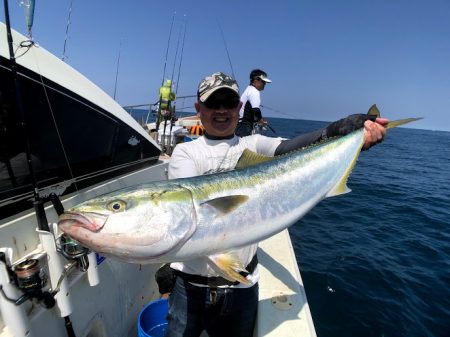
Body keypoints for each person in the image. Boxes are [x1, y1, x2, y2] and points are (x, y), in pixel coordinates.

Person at [165, 71, 388, 337]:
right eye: (214, 103)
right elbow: (195, 217)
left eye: (229, 103)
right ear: (199, 109)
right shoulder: (186, 152)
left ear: (239, 108)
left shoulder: (254, 144)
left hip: (243, 286)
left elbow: (294, 147)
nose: (222, 110)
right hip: (190, 288)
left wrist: (340, 132)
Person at [235, 69, 272, 137]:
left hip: (239, 124)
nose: (265, 84)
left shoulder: (248, 89)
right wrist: (261, 120)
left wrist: (259, 119)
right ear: (255, 81)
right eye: (263, 82)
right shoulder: (254, 92)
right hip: (244, 126)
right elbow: (256, 110)